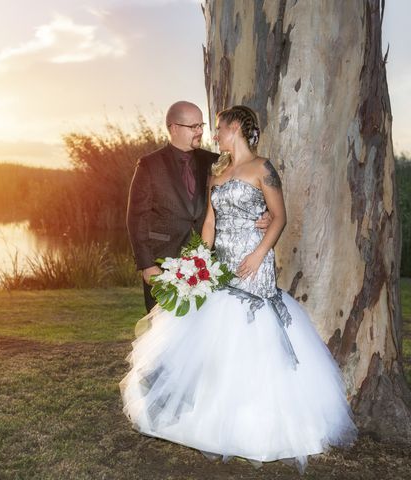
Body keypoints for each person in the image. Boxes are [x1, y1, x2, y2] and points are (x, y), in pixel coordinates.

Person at [119, 105, 357, 474]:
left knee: (251, 335)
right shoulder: (190, 169)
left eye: (211, 126)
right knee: (191, 339)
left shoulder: (245, 166)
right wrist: (196, 262)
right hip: (207, 264)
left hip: (253, 264)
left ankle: (254, 422)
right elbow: (199, 221)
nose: (206, 132)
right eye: (195, 126)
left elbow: (277, 214)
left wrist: (261, 244)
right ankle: (174, 408)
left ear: (235, 128)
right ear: (173, 127)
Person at [126, 101, 270, 312]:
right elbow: (136, 218)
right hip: (163, 262)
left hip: (210, 262)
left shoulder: (216, 162)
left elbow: (241, 194)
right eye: (193, 127)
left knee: (204, 329)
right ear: (174, 128)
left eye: (201, 125)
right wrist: (147, 265)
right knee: (163, 330)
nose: (200, 131)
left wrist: (263, 214)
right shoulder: (149, 165)